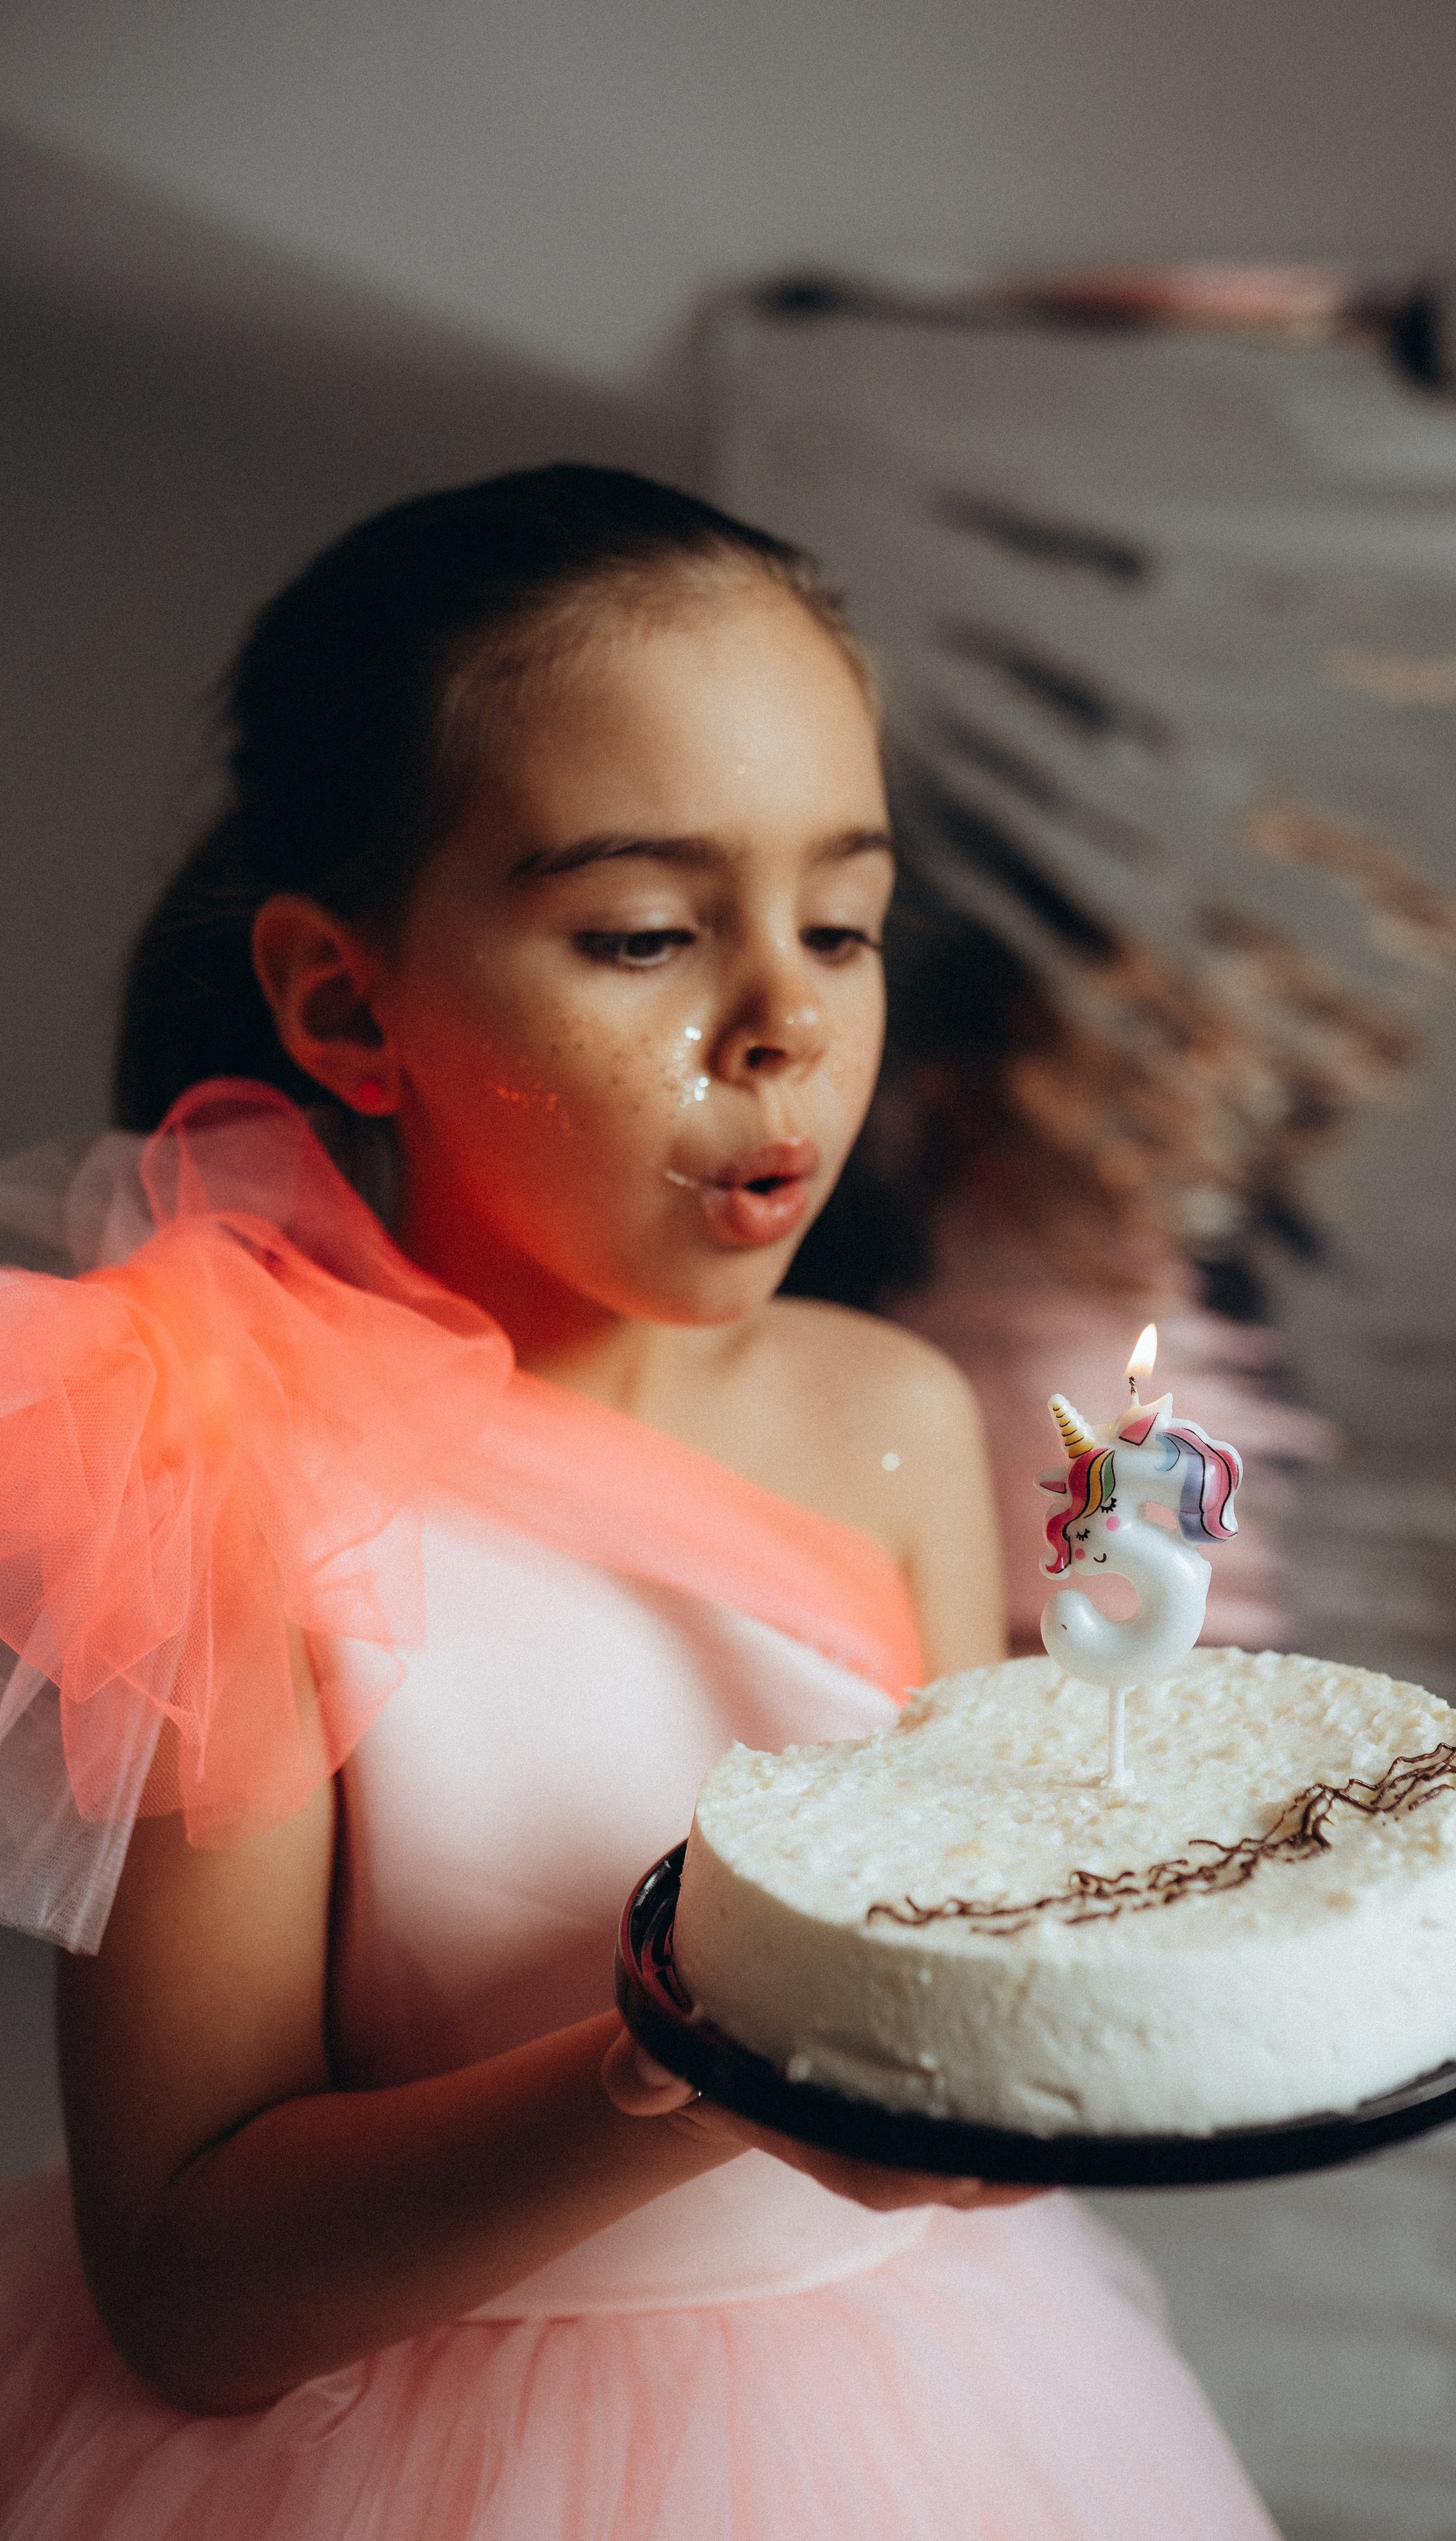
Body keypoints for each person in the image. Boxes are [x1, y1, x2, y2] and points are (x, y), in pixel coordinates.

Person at [0, 465, 1277, 2538]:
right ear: (347, 1002)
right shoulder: (221, 1474)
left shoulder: (892, 1417)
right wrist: (691, 2069)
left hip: (925, 2418)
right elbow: (190, 2292)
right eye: (645, 936)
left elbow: (975, 2001)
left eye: (843, 924)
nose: (786, 1023)